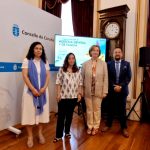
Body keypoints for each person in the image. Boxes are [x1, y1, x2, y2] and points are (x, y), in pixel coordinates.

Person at [21, 42, 50, 148]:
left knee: (42, 114)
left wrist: (44, 88)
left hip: (42, 91)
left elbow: (47, 76)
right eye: (36, 48)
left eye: (40, 49)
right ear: (32, 50)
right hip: (30, 92)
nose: (39, 50)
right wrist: (33, 89)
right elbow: (25, 76)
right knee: (29, 113)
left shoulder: (45, 61)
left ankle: (40, 133)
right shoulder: (27, 60)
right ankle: (30, 136)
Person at [102, 47, 132, 138]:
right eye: (116, 52)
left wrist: (120, 86)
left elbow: (128, 77)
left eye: (119, 52)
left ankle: (124, 128)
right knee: (110, 109)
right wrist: (114, 86)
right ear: (113, 54)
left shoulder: (127, 64)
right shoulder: (108, 64)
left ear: (121, 54)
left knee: (122, 110)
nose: (117, 53)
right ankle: (108, 125)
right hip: (111, 90)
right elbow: (107, 77)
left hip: (122, 91)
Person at [53, 53, 83, 143]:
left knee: (69, 116)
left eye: (73, 58)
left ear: (75, 60)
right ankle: (58, 135)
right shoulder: (62, 70)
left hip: (73, 97)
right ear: (67, 60)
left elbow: (80, 83)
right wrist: (58, 94)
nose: (71, 60)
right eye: (69, 58)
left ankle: (67, 132)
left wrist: (79, 94)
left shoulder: (78, 70)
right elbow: (58, 83)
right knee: (61, 117)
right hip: (63, 97)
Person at [82, 45, 108, 135]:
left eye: (97, 50)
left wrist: (105, 91)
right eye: (93, 50)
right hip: (88, 91)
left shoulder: (103, 64)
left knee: (97, 110)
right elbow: (82, 79)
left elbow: (106, 78)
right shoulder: (85, 64)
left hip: (99, 91)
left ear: (99, 53)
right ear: (90, 52)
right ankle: (90, 126)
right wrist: (81, 91)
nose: (95, 52)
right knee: (89, 110)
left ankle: (96, 127)